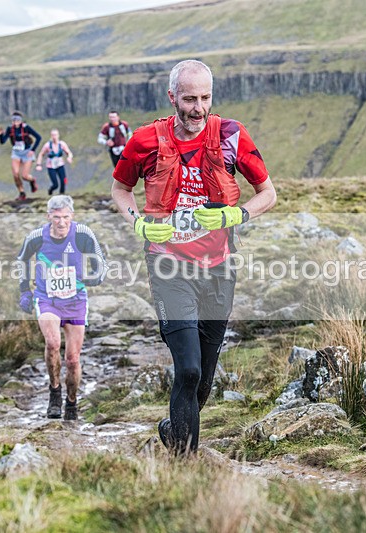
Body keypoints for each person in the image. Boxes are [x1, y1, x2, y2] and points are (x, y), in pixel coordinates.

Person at [110, 60, 277, 455]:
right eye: (189, 99)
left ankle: (173, 430)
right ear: (172, 97)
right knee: (187, 369)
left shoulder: (232, 135)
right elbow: (120, 189)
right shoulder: (145, 140)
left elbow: (268, 193)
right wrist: (139, 224)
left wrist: (235, 215)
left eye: (205, 98)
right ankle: (186, 464)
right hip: (168, 266)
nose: (198, 108)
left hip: (219, 269)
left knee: (202, 381)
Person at [16, 195, 108, 420]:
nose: (61, 222)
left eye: (66, 217)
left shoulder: (83, 233)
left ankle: (72, 403)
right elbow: (22, 260)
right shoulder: (37, 237)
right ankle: (55, 393)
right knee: (52, 343)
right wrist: (25, 290)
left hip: (76, 301)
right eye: (56, 217)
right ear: (49, 216)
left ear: (72, 216)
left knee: (73, 359)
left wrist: (95, 276)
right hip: (47, 299)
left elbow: (100, 262)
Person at [0, 111, 42, 201]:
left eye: (17, 120)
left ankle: (32, 181)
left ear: (21, 121)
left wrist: (33, 150)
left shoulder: (26, 128)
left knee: (25, 176)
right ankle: (22, 193)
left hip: (27, 152)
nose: (15, 122)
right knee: (15, 174)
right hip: (16, 152)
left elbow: (38, 137)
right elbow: (3, 141)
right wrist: (0, 135)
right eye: (14, 120)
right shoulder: (10, 129)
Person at [36, 129, 73, 196]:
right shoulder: (47, 145)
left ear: (58, 135)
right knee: (55, 184)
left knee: (64, 180)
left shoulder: (62, 144)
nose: (54, 137)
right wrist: (38, 164)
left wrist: (69, 157)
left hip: (60, 165)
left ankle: (62, 194)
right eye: (52, 135)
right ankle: (51, 190)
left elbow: (69, 152)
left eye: (55, 135)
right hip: (51, 166)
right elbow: (41, 154)